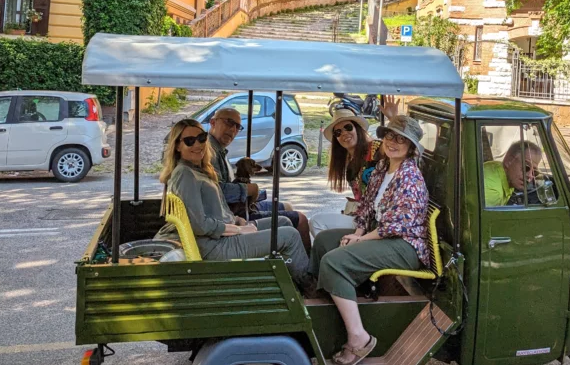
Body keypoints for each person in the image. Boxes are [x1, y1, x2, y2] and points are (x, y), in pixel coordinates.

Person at [309, 115, 430, 365]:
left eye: (401, 139)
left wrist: (361, 239)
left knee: (333, 262)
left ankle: (359, 338)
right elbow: (365, 208)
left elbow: (395, 226)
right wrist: (359, 230)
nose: (393, 142)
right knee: (323, 241)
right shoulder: (382, 169)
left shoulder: (410, 178)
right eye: (389, 136)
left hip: (403, 245)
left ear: (410, 147)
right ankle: (327, 306)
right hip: (380, 234)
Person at [154, 119, 310, 284]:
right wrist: (238, 230)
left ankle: (288, 280)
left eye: (201, 138)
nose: (197, 144)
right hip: (215, 246)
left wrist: (236, 220)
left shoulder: (199, 171)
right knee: (290, 235)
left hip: (220, 237)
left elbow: (215, 210)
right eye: (189, 141)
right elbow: (199, 225)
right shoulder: (185, 174)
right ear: (177, 146)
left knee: (284, 221)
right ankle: (306, 287)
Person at [207, 106, 312, 252]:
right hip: (234, 213)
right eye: (229, 123)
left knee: (287, 206)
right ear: (213, 122)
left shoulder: (219, 150)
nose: (233, 130)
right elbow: (218, 191)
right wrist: (250, 189)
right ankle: (307, 268)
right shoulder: (209, 152)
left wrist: (255, 192)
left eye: (238, 126)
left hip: (237, 206)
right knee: (300, 219)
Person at [308, 98, 398, 238]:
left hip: (377, 219)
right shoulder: (348, 161)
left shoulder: (375, 149)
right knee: (317, 222)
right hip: (362, 217)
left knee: (317, 222)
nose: (344, 134)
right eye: (338, 132)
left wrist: (394, 119)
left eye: (348, 127)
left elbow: (397, 148)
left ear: (357, 129)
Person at [484, 140, 543, 206]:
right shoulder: (493, 194)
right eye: (526, 167)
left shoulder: (499, 167)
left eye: (534, 172)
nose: (530, 176)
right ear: (509, 161)